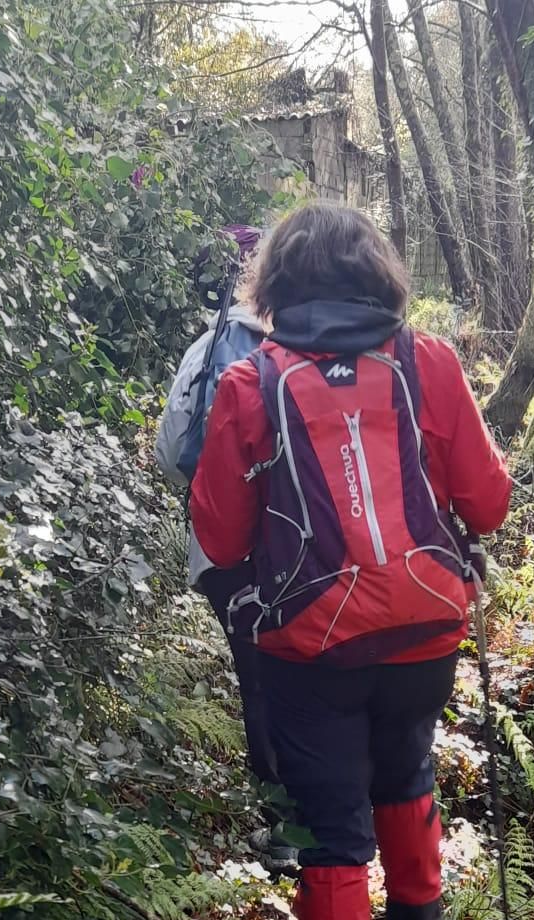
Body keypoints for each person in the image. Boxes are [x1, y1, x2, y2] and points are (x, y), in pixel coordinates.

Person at [190, 204, 511, 920]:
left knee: (332, 823)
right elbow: (488, 502)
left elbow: (218, 539)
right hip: (425, 627)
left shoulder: (247, 384)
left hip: (309, 645)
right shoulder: (430, 364)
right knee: (404, 773)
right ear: (380, 273)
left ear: (277, 286)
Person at [155, 226, 299, 871]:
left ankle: (286, 827)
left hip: (225, 554)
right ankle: (344, 821)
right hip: (313, 550)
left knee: (259, 680)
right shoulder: (326, 348)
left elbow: (171, 454)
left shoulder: (211, 346)